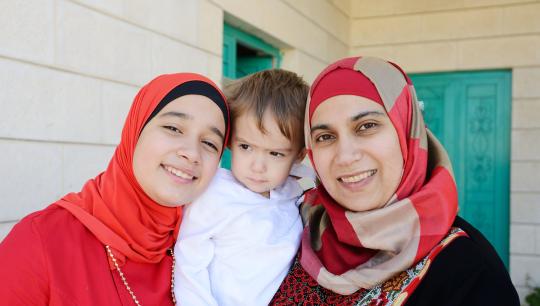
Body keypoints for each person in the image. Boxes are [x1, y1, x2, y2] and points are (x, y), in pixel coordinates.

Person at [270, 57, 520, 305]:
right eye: (325, 137)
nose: (346, 156)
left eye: (366, 126)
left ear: (406, 131)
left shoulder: (469, 272)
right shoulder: (295, 228)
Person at [0, 73, 230, 305]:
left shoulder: (213, 249)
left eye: (210, 143)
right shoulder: (42, 242)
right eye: (173, 128)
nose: (191, 153)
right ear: (135, 130)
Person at [174, 69, 313, 306]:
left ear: (299, 155)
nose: (257, 166)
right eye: (246, 147)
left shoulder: (291, 192)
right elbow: (188, 264)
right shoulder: (215, 192)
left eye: (275, 153)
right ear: (230, 141)